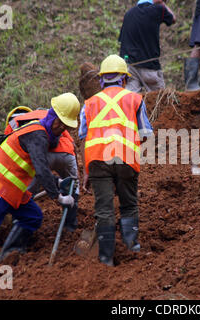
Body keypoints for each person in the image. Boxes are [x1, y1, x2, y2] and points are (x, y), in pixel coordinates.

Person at [0, 93, 81, 275]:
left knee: (33, 216)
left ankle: (10, 253)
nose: (62, 128)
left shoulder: (40, 132)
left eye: (66, 126)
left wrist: (58, 182)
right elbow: (41, 169)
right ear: (53, 117)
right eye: (61, 123)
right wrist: (57, 197)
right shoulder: (38, 135)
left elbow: (36, 168)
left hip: (13, 188)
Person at [79, 55, 153, 267]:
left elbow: (84, 137)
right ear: (124, 80)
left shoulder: (89, 104)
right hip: (126, 157)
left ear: (102, 80)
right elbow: (145, 133)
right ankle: (133, 248)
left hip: (96, 159)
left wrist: (86, 171)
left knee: (104, 209)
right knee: (129, 205)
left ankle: (106, 259)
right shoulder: (135, 99)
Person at [4, 106, 80, 232]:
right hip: (67, 153)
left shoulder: (14, 123)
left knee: (27, 193)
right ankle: (70, 227)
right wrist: (74, 174)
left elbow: (9, 148)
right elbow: (71, 143)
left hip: (43, 158)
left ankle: (20, 225)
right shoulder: (48, 114)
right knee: (72, 187)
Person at [118, 0, 175, 93]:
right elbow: (173, 19)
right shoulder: (159, 9)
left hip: (130, 68)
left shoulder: (128, 14)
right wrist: (162, 3)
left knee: (130, 100)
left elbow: (122, 42)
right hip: (150, 68)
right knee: (160, 101)